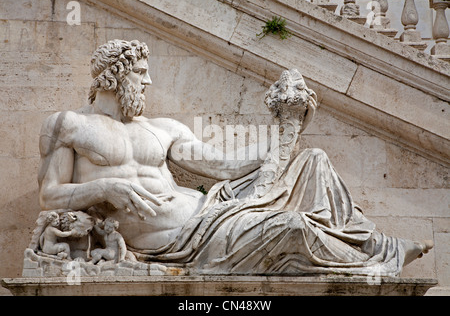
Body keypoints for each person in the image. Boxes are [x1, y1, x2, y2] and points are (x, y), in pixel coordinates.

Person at [37, 39, 432, 276]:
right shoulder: (69, 125)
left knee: (311, 159)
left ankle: (374, 246)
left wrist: (288, 130)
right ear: (117, 75)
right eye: (141, 72)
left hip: (212, 210)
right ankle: (372, 264)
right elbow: (50, 195)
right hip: (181, 240)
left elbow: (225, 166)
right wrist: (105, 186)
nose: (149, 81)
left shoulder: (162, 128)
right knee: (291, 227)